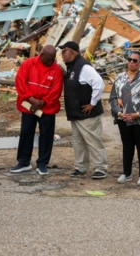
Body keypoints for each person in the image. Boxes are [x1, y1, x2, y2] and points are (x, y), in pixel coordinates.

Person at [10, 45, 63, 175]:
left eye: (53, 59)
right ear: (42, 54)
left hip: (47, 108)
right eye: (49, 58)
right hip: (29, 106)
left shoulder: (56, 69)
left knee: (46, 135)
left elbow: (56, 90)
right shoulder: (28, 63)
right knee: (26, 132)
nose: (52, 61)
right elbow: (20, 82)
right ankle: (24, 162)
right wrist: (31, 99)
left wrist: (43, 102)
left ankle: (42, 163)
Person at [59, 41, 108, 180]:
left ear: (72, 52)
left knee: (93, 140)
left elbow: (99, 84)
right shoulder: (71, 66)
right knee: (78, 141)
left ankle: (100, 168)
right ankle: (80, 167)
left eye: (64, 51)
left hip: (87, 113)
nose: (62, 54)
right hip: (75, 113)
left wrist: (92, 103)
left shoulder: (84, 67)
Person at [109, 51, 140, 186]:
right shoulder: (119, 77)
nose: (131, 62)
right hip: (123, 118)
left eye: (135, 60)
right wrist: (118, 112)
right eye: (129, 59)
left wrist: (139, 113)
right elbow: (112, 97)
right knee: (127, 146)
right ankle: (126, 173)